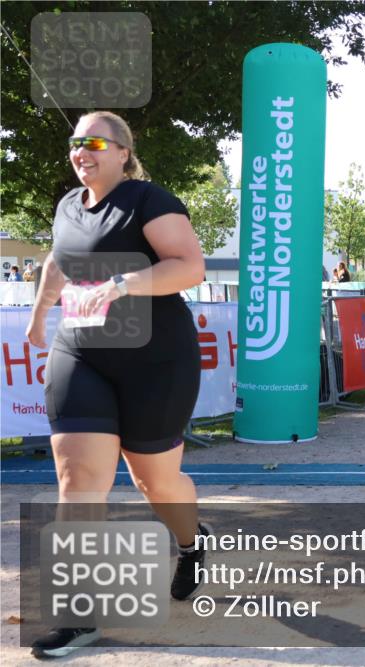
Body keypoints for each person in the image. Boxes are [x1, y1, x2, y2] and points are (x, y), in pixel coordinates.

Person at [24, 111, 210, 659]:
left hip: (156, 362)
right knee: (78, 480)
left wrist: (121, 284)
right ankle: (78, 617)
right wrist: (39, 318)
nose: (81, 151)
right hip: (80, 355)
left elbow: (190, 266)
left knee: (157, 485)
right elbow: (58, 263)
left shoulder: (149, 199)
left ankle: (191, 542)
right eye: (75, 143)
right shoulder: (66, 207)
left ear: (123, 152)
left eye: (95, 142)